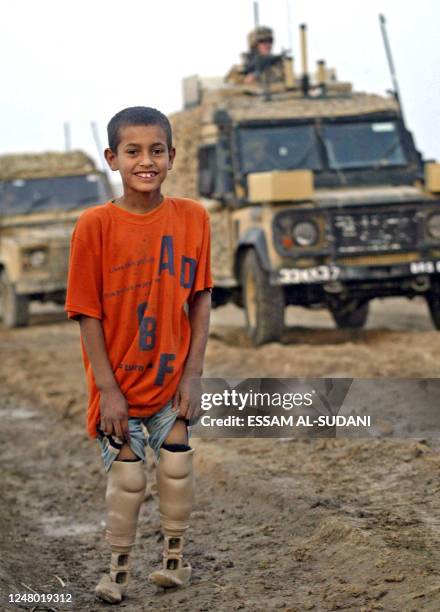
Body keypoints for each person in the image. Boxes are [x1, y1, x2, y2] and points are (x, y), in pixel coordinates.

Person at [64, 106, 212, 604]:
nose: (145, 161)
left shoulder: (193, 218)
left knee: (176, 466)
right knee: (127, 480)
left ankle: (175, 561)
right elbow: (87, 313)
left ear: (172, 156)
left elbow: (201, 298)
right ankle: (118, 572)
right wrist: (106, 389)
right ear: (113, 158)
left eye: (156, 151)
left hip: (172, 380)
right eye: (133, 151)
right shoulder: (94, 226)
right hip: (118, 385)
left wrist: (193, 377)